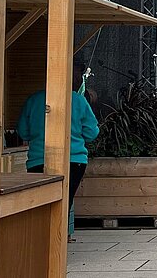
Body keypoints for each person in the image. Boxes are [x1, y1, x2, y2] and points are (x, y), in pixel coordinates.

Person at [17, 64, 99, 226]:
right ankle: (58, 243)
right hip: (74, 160)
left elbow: (23, 132)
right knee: (63, 204)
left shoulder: (33, 100)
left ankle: (42, 241)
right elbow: (92, 133)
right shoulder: (79, 100)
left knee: (40, 205)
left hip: (38, 160)